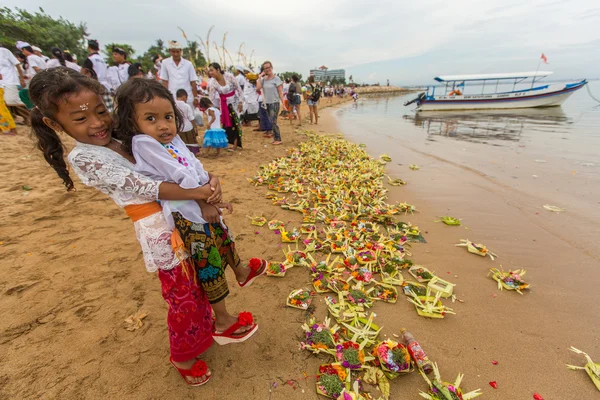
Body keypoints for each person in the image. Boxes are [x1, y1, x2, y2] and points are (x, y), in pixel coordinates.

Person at [29, 67, 219, 386]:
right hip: (158, 226)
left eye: (101, 111)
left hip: (183, 212)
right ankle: (183, 356)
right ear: (53, 123)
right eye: (79, 119)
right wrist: (200, 192)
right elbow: (147, 187)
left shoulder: (128, 135)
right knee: (180, 292)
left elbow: (174, 161)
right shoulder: (85, 157)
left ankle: (203, 332)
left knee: (199, 278)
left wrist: (209, 181)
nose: (97, 123)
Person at [113, 77, 267, 352]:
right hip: (184, 211)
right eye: (151, 118)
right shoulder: (144, 143)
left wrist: (211, 183)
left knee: (222, 234)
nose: (163, 125)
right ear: (133, 123)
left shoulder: (173, 140)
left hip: (198, 199)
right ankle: (222, 321)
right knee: (208, 262)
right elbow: (178, 175)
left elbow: (193, 164)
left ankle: (241, 270)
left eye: (168, 117)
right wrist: (206, 198)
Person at [207, 62, 243, 151]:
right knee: (226, 124)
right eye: (209, 71)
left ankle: (235, 145)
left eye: (212, 70)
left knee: (235, 122)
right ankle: (227, 143)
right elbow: (211, 97)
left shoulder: (229, 76)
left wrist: (241, 102)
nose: (210, 72)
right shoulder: (213, 82)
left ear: (218, 70)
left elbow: (238, 88)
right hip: (223, 104)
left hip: (234, 101)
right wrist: (210, 108)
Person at [160, 41, 198, 107]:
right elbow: (165, 82)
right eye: (173, 52)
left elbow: (193, 82)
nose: (176, 54)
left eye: (177, 52)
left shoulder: (188, 64)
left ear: (181, 51)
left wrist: (195, 97)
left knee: (189, 116)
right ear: (170, 51)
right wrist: (165, 97)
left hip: (188, 97)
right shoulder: (165, 63)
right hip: (173, 96)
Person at [256, 61, 286, 145]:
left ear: (271, 68)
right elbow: (258, 88)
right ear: (264, 70)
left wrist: (283, 104)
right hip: (266, 103)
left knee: (273, 121)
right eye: (265, 68)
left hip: (274, 102)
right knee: (271, 120)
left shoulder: (277, 79)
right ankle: (276, 137)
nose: (267, 69)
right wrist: (259, 77)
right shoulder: (263, 80)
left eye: (269, 67)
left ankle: (278, 138)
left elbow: (280, 92)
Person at [0, 46, 29, 125]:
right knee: (4, 103)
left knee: (12, 101)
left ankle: (31, 116)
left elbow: (17, 64)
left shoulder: (4, 51)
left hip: (10, 81)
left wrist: (22, 79)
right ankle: (10, 121)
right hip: (1, 83)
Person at [174, 88, 200, 154]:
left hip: (178, 127)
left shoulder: (173, 106)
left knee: (181, 143)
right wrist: (195, 127)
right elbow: (191, 118)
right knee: (191, 142)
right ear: (184, 97)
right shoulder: (186, 106)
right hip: (188, 127)